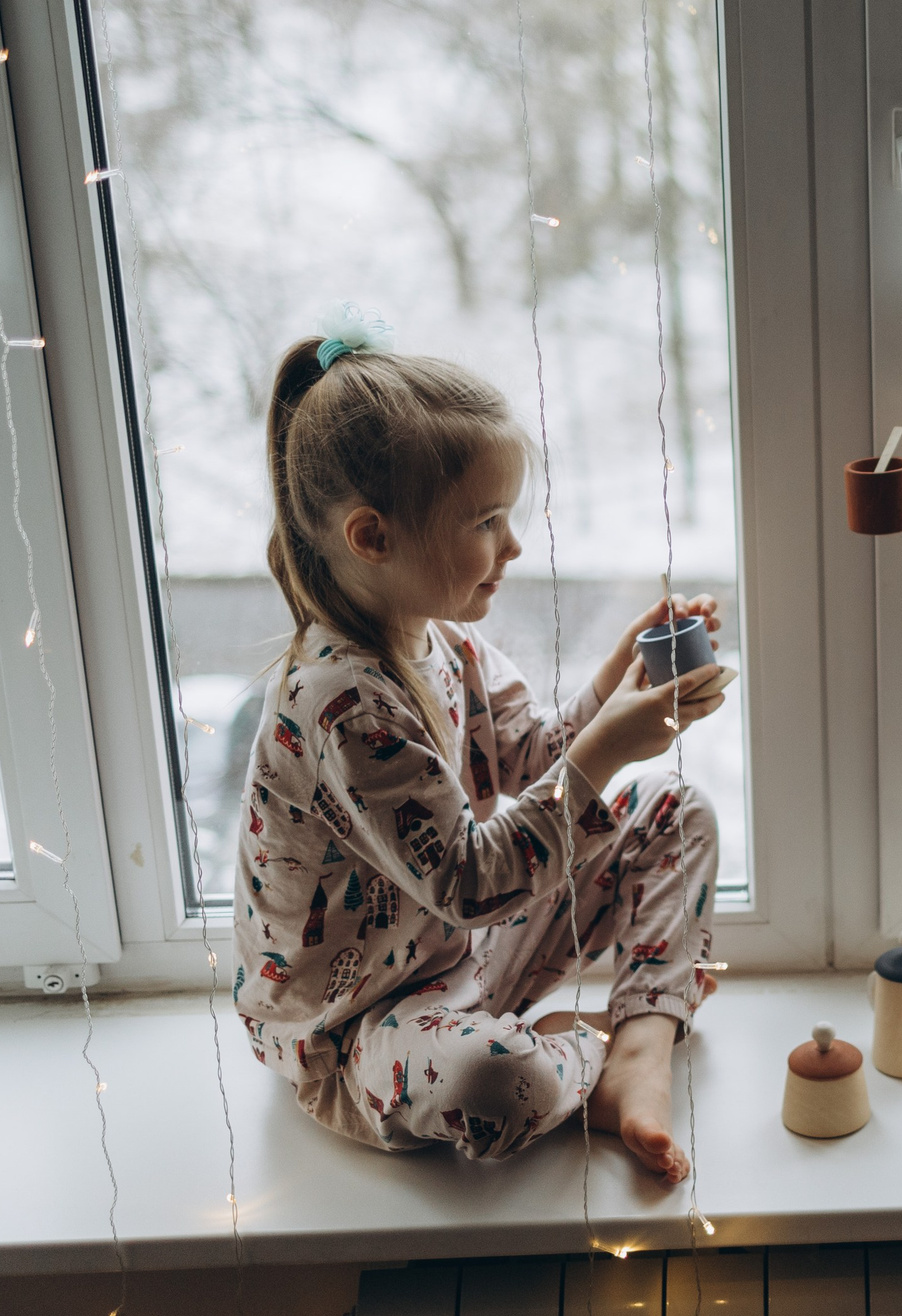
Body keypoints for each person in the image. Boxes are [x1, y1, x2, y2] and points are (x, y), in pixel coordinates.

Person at [230, 305, 728, 1178]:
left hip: (470, 950)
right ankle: (590, 1050)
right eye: (486, 522)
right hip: (366, 1031)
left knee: (676, 813)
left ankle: (639, 1049)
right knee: (497, 1086)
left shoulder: (441, 638)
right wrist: (607, 749)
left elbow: (532, 756)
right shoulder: (341, 702)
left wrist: (615, 682)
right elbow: (469, 878)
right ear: (373, 537)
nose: (514, 544)